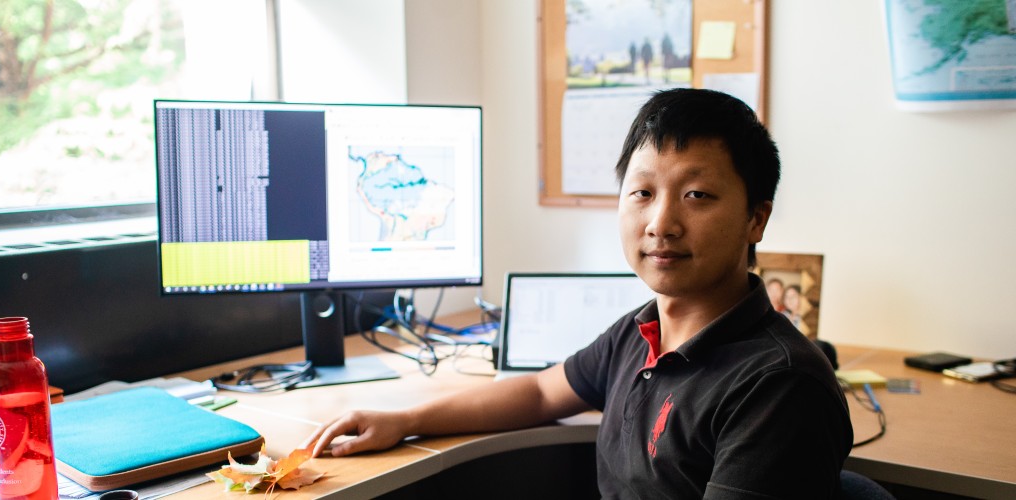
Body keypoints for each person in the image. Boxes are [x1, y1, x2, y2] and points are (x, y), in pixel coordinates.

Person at [303, 88, 853, 498]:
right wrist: (407, 419)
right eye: (642, 192)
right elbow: (543, 393)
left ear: (757, 218)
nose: (661, 222)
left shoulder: (779, 386)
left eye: (697, 194)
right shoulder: (641, 333)